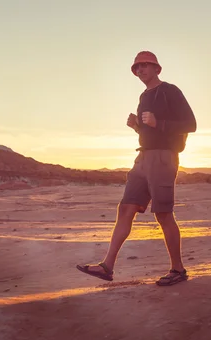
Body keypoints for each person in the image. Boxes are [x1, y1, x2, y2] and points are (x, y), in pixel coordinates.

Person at [76, 50, 197, 286]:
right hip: (142, 158)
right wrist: (136, 127)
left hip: (163, 158)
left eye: (145, 66)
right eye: (137, 67)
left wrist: (157, 122)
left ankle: (178, 270)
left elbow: (191, 124)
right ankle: (107, 266)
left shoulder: (170, 91)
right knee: (125, 209)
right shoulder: (144, 97)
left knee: (163, 214)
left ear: (156, 69)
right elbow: (148, 132)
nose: (140, 70)